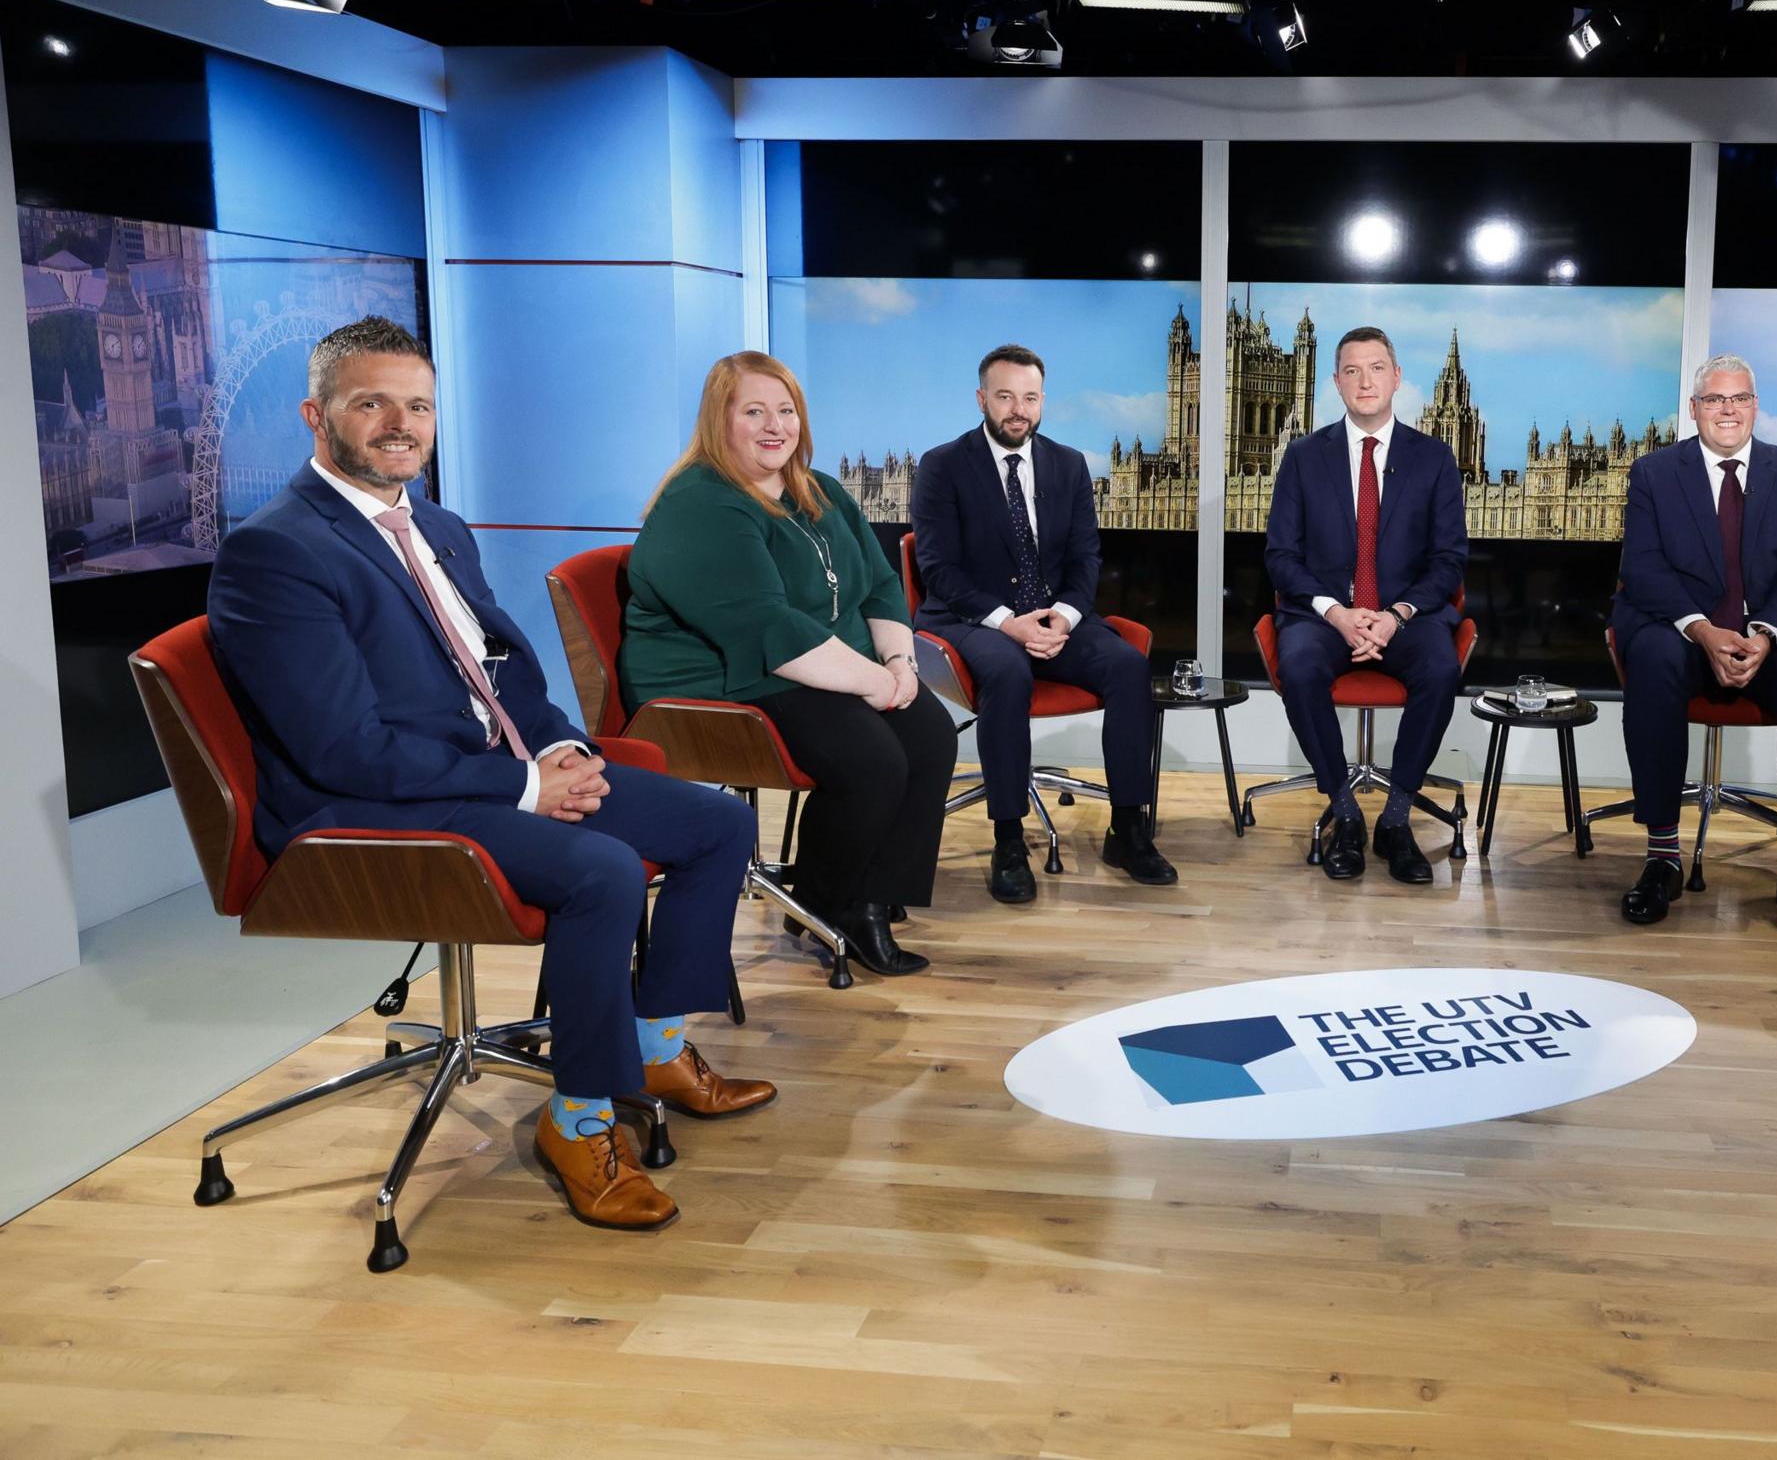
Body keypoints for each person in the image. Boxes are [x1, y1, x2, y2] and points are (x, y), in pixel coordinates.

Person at [206, 318, 771, 1238]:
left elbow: (508, 674)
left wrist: (557, 752)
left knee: (715, 825)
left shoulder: (435, 522)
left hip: (489, 772)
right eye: (372, 403)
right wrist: (524, 792)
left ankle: (655, 1046)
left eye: (419, 405)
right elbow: (343, 750)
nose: (401, 423)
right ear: (316, 414)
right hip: (369, 809)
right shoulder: (276, 553)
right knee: (603, 872)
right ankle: (579, 1119)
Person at [622, 351, 956, 978]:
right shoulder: (702, 503)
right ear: (719, 421)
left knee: (931, 733)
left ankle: (873, 898)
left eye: (786, 411)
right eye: (754, 411)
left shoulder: (819, 488)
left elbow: (880, 584)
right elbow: (766, 627)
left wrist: (899, 662)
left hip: (813, 664)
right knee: (871, 758)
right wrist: (874, 682)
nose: (775, 426)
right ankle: (825, 906)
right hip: (719, 682)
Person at [910, 345, 1175, 902]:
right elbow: (938, 568)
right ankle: (1009, 837)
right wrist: (1010, 623)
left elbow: (1086, 558)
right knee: (1009, 674)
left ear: (1042, 401)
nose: (1017, 410)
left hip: (1056, 618)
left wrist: (1066, 616)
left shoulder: (1068, 463)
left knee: (1129, 667)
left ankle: (1128, 827)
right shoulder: (942, 465)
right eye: (1005, 397)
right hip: (973, 622)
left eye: (1029, 398)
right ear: (982, 398)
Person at [1610, 354, 1777, 937]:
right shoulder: (1654, 474)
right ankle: (1662, 854)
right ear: (1694, 410)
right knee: (1653, 657)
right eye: (1715, 400)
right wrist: (1702, 629)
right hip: (1682, 628)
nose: (1728, 410)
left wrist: (1765, 633)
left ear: (1755, 406)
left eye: (1739, 398)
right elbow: (1641, 568)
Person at [1265, 327, 1468, 885]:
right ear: (1335, 383)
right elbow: (1281, 556)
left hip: (1406, 615)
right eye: (1352, 370)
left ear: (1397, 377)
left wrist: (1396, 613)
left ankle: (1397, 815)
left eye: (1376, 368)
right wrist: (1336, 611)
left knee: (1441, 668)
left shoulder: (1434, 458)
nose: (1365, 381)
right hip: (1323, 615)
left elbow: (1449, 560)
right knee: (1300, 666)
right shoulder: (1304, 457)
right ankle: (1346, 812)